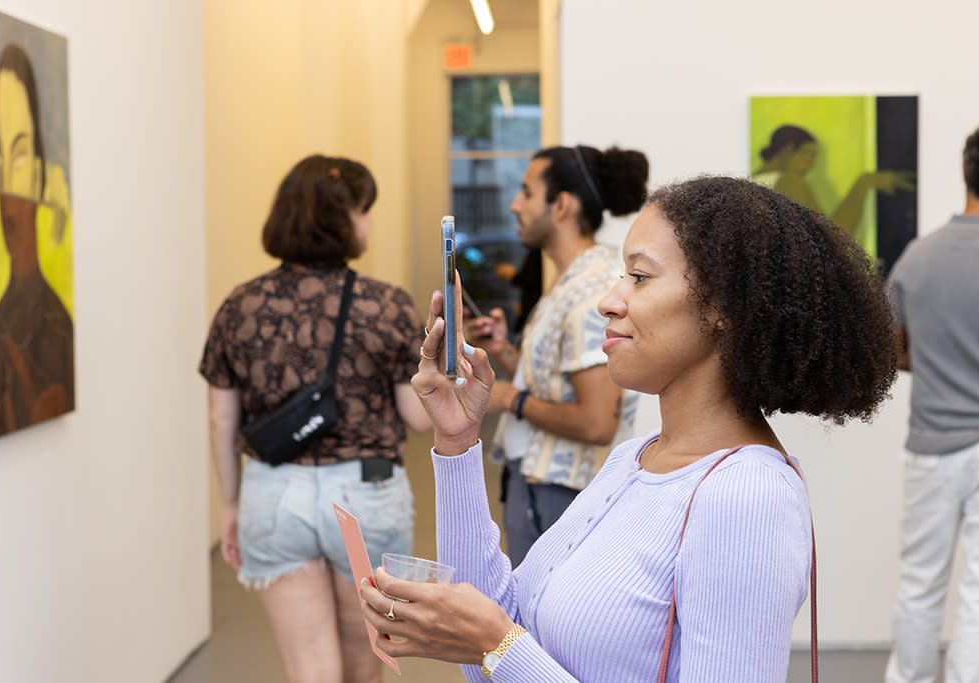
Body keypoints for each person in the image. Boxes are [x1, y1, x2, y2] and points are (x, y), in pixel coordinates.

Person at [359, 176, 898, 681]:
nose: (608, 300)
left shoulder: (745, 495)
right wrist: (457, 441)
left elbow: (497, 646)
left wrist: (498, 645)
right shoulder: (632, 460)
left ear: (724, 310)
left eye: (639, 277)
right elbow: (489, 647)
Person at [199, 154, 430, 683]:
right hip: (364, 498)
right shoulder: (385, 305)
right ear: (344, 219)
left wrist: (230, 505)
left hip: (273, 496)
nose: (369, 222)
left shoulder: (241, 306)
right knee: (362, 661)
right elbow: (418, 418)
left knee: (309, 668)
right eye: (365, 211)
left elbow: (220, 422)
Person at [467, 144, 649, 566]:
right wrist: (505, 353)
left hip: (560, 497)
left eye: (527, 192)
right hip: (540, 488)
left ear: (561, 205)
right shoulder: (573, 281)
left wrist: (509, 398)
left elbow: (595, 422)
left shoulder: (591, 293)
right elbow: (557, 383)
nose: (515, 205)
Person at [884, 123, 979, 683]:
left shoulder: (918, 259)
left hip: (932, 444)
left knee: (920, 583)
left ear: (965, 171)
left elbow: (897, 351)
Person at [0, 44, 74, 449]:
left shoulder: (62, 334)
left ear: (42, 175)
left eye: (21, 154)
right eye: (0, 153)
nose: (7, 183)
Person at [753, 123, 915, 239]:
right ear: (788, 150)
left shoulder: (753, 182)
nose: (813, 163)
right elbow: (833, 235)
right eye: (808, 154)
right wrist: (864, 182)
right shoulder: (788, 181)